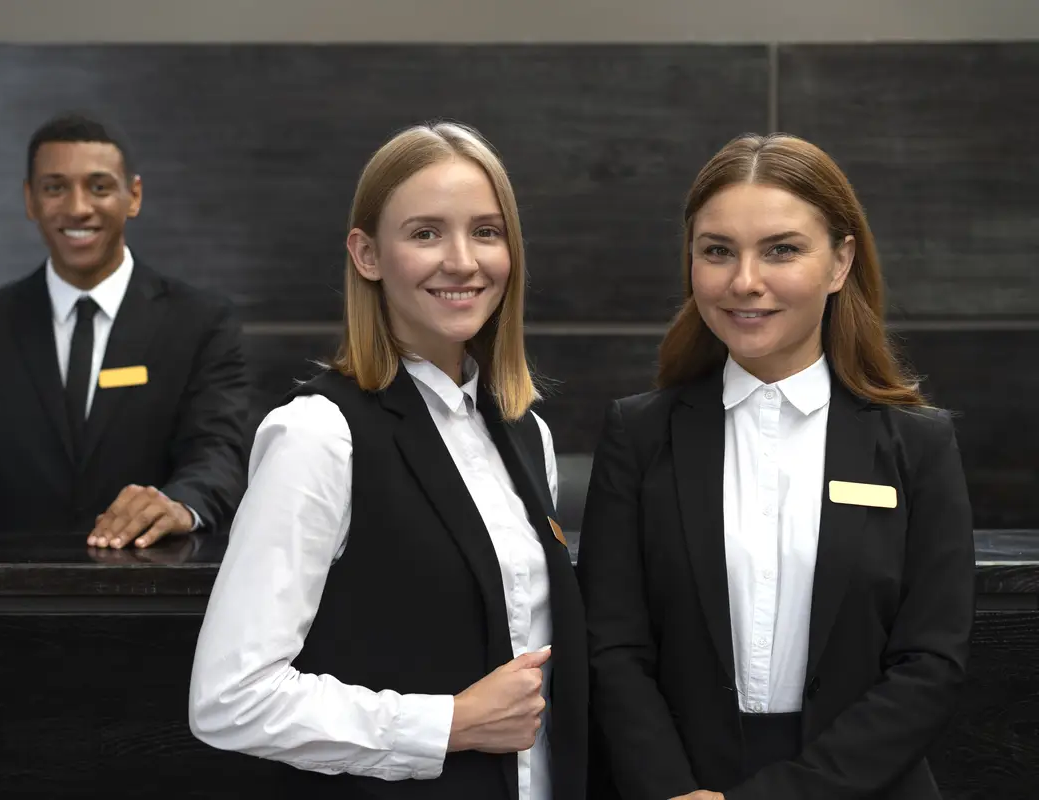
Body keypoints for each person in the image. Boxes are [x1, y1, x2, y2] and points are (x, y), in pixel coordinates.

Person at [189, 122, 587, 799]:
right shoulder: (318, 435)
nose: (462, 260)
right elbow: (231, 698)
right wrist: (447, 723)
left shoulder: (528, 435)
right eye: (426, 233)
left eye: (487, 232)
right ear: (368, 254)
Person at [577, 133, 974, 800]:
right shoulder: (640, 435)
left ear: (840, 261)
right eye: (718, 252)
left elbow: (929, 664)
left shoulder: (917, 444)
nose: (745, 282)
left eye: (781, 250)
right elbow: (612, 646)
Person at [0, 112, 249, 549]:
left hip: (155, 590)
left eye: (99, 186)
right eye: (55, 187)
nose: (77, 207)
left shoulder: (201, 322)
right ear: (30, 200)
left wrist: (179, 503)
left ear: (134, 196)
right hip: (11, 597)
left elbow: (218, 456)